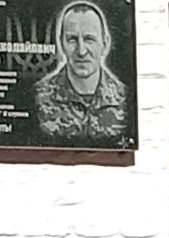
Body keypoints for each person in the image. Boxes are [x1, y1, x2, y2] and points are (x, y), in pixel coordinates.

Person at [35, 1, 128, 144]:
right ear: (61, 43)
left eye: (89, 39)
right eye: (72, 39)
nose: (81, 51)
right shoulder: (38, 98)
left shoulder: (125, 100)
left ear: (105, 43)